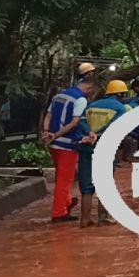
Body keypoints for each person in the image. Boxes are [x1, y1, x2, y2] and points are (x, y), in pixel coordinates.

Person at [75, 79, 131, 226]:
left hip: (87, 146)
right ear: (120, 93)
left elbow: (80, 121)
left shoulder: (91, 105)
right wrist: (98, 135)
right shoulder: (120, 108)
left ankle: (85, 219)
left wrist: (90, 134)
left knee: (86, 184)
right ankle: (103, 217)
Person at [41, 77, 97, 223]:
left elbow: (48, 116)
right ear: (89, 88)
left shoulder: (59, 95)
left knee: (61, 176)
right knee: (65, 180)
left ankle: (66, 202)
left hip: (53, 144)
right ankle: (59, 213)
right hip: (67, 144)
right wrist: (55, 135)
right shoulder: (80, 100)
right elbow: (74, 123)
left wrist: (47, 132)